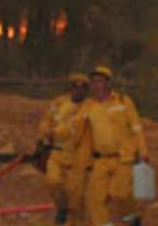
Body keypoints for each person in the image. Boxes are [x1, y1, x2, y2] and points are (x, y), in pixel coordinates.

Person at [70, 65, 149, 226]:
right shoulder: (88, 106)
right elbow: (76, 130)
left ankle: (132, 218)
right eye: (93, 82)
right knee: (95, 199)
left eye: (100, 81)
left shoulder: (123, 101)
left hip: (123, 158)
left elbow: (136, 127)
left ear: (108, 83)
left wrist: (142, 150)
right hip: (100, 160)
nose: (96, 85)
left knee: (121, 195)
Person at [38, 72, 91, 225]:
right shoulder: (59, 103)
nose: (78, 90)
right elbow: (46, 120)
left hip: (77, 156)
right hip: (56, 152)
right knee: (53, 182)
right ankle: (62, 207)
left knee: (75, 195)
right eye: (75, 86)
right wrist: (44, 135)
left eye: (82, 87)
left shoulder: (90, 108)